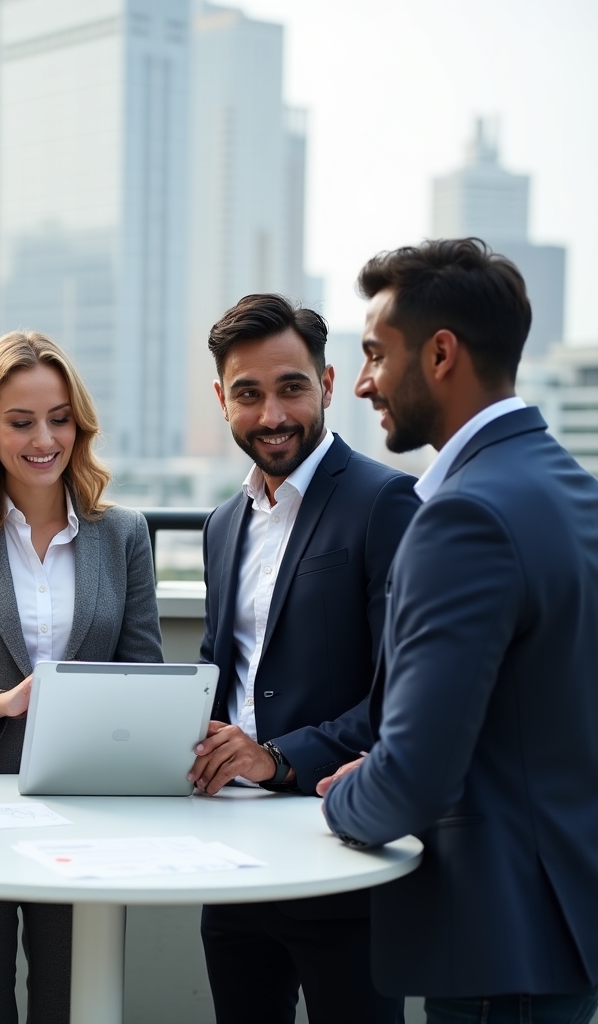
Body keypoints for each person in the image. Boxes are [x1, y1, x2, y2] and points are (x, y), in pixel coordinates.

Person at [319, 238, 598, 1024]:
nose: (364, 381)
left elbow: (412, 780)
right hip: (565, 924)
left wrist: (342, 799)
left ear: (441, 354)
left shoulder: (463, 517)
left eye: (376, 354)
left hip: (497, 946)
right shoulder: (574, 489)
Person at [0, 330, 164, 1024]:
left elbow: (146, 676)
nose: (44, 440)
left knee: (73, 1009)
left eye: (59, 419)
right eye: (21, 422)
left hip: (90, 813)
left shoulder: (124, 534)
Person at [189, 294, 420, 1024]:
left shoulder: (387, 502)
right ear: (222, 399)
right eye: (248, 394)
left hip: (340, 847)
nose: (272, 415)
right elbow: (221, 672)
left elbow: (401, 696)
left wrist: (278, 759)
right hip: (232, 854)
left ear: (326, 382)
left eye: (291, 387)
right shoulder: (223, 524)